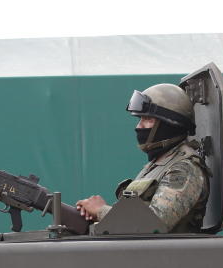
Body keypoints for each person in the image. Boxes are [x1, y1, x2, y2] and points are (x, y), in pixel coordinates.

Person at [75, 83, 209, 233]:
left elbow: (152, 225)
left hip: (167, 255)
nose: (139, 126)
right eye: (140, 119)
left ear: (169, 123)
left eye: (148, 119)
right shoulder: (157, 165)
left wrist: (101, 210)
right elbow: (133, 222)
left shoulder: (184, 168)